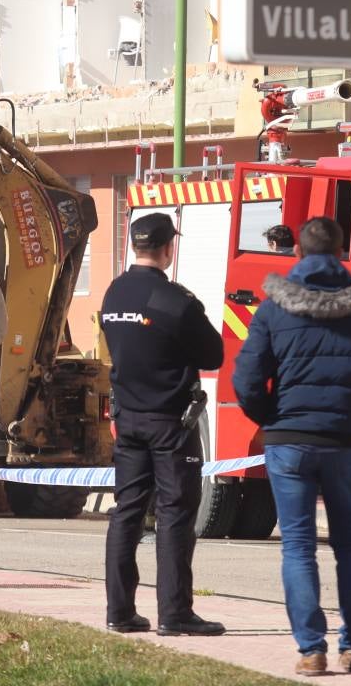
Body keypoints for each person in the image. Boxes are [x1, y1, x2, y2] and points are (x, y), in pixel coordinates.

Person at [232, 217, 351, 676]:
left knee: (298, 547)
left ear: (298, 254)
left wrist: (270, 417)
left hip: (290, 441)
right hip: (345, 441)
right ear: (342, 251)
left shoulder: (273, 309)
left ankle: (311, 650)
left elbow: (245, 378)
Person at [99, 213, 225, 637]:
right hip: (170, 422)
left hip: (128, 419)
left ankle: (119, 611)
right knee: (174, 515)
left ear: (136, 246)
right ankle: (175, 613)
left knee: (126, 513)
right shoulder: (175, 301)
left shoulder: (114, 293)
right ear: (169, 248)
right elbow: (213, 355)